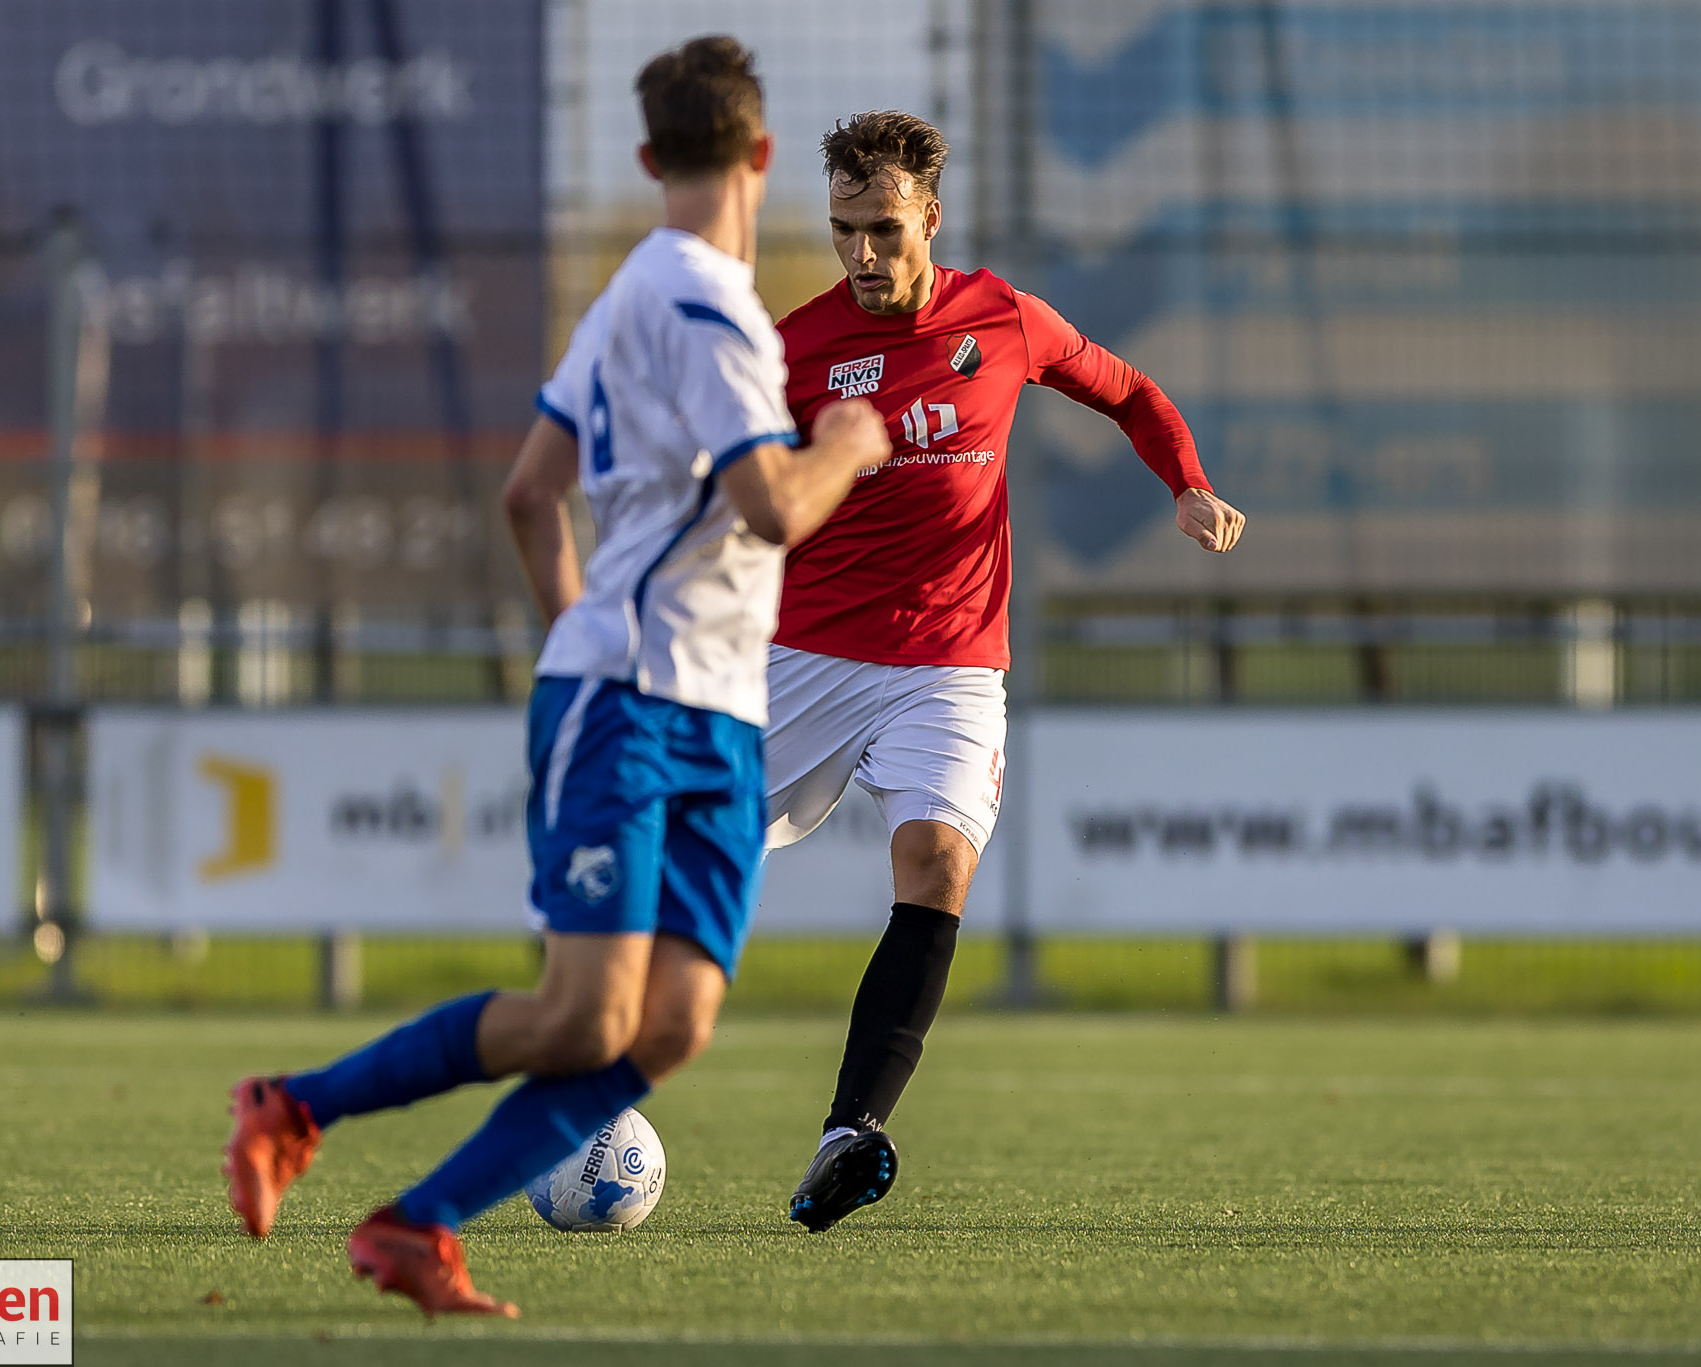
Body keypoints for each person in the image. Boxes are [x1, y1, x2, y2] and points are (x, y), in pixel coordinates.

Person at [220, 36, 890, 1317]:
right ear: (761, 155)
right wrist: (848, 443)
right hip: (634, 707)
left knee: (671, 1022)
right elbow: (773, 504)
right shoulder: (705, 309)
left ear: (647, 157)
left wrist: (579, 630)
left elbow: (531, 494)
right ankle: (295, 1109)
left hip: (711, 710)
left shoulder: (629, 295)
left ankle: (412, 1222)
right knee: (584, 1018)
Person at [768, 110, 1246, 1230]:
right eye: (842, 230)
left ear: (929, 218)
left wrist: (1184, 481)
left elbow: (1129, 391)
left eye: (884, 229)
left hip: (949, 660)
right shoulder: (793, 350)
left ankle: (850, 1130)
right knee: (685, 862)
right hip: (807, 653)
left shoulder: (1003, 318)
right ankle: (583, 1084)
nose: (862, 254)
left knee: (936, 863)